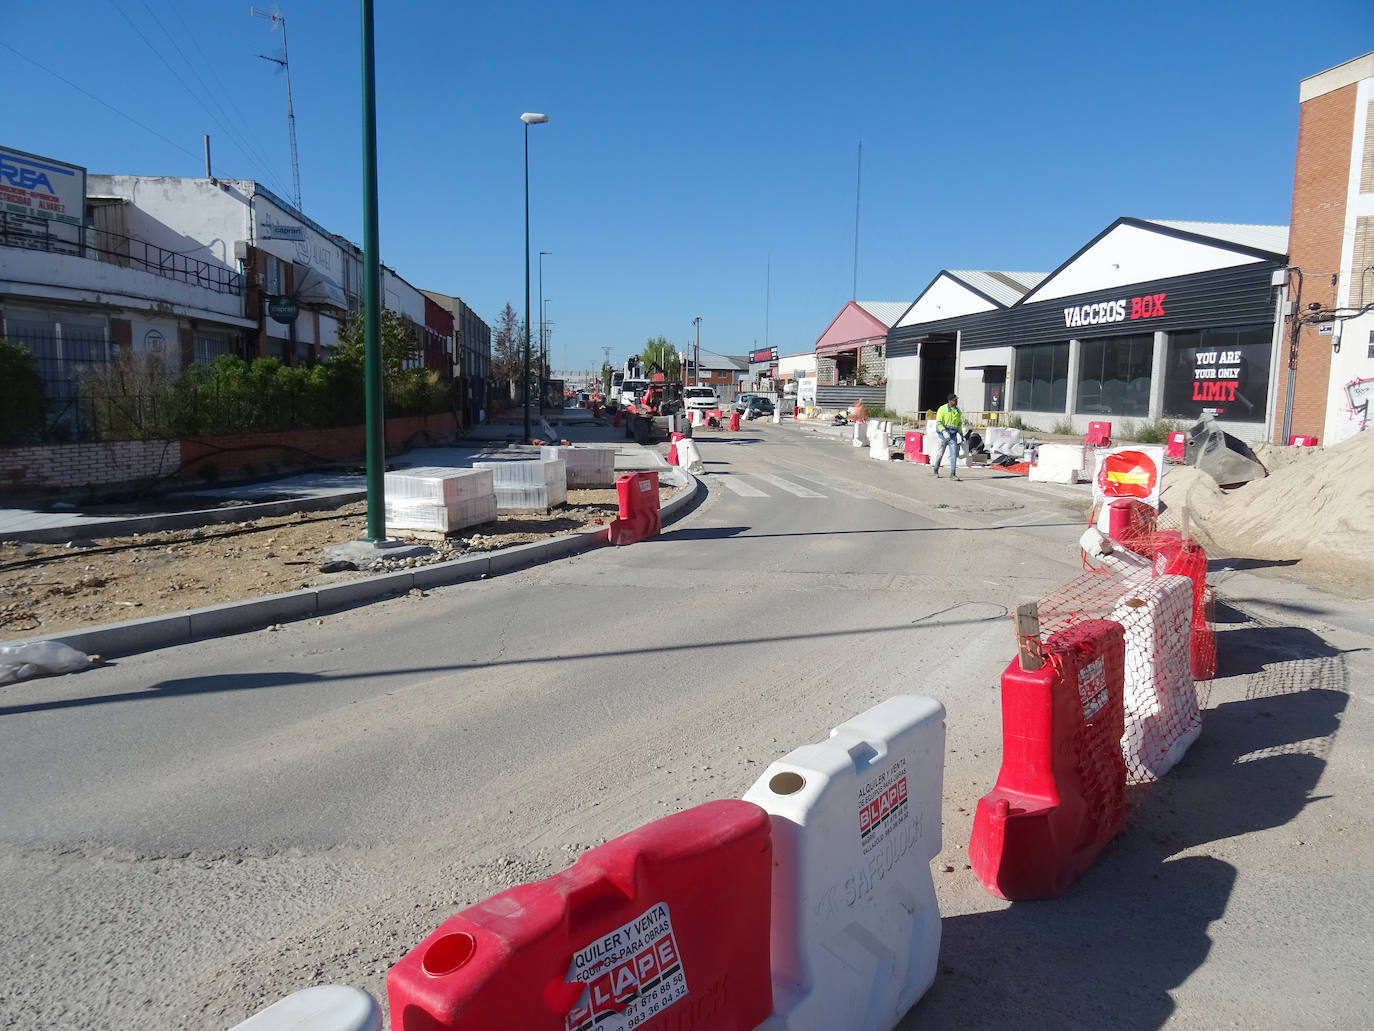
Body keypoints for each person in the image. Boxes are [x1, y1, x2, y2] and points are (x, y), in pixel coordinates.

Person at [932, 393, 964, 480]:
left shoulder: (958, 411)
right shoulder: (942, 409)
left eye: (956, 400)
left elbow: (958, 424)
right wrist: (943, 431)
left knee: (953, 454)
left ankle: (952, 474)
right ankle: (935, 470)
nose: (956, 401)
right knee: (940, 454)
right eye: (954, 400)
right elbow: (939, 422)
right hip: (943, 436)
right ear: (949, 401)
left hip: (952, 436)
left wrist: (961, 433)